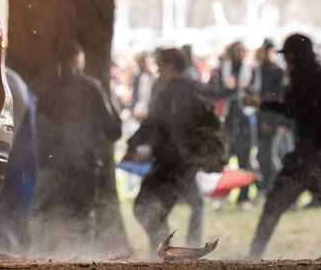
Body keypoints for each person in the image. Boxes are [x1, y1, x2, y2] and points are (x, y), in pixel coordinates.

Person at [249, 34, 321, 259]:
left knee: (274, 207)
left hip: (311, 157)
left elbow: (293, 109)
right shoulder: (317, 76)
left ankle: (253, 255)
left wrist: (262, 104)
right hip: (320, 155)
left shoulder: (307, 79)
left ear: (293, 57)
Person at [30, 42, 122, 257]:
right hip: (84, 165)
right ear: (77, 60)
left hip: (51, 163)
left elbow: (39, 125)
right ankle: (81, 258)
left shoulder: (45, 86)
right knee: (83, 216)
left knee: (43, 213)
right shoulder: (92, 86)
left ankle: (37, 258)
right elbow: (113, 128)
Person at [128, 47, 212, 254]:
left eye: (160, 65)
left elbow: (154, 121)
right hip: (185, 160)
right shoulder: (193, 88)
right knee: (169, 206)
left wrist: (133, 143)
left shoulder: (172, 90)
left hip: (171, 162)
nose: (158, 70)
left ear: (171, 66)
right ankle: (173, 251)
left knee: (144, 206)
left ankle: (167, 252)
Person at [0, 67, 39, 255]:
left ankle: (2, 246)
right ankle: (0, 245)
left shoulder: (10, 83)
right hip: (17, 156)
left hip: (18, 157)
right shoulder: (12, 81)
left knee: (11, 203)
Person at [212, 41, 256, 206]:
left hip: (245, 120)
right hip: (228, 120)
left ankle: (243, 197)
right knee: (224, 160)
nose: (239, 54)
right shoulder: (222, 69)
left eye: (242, 51)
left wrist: (244, 90)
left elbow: (256, 96)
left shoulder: (251, 69)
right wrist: (229, 89)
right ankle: (221, 196)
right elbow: (215, 92)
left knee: (245, 161)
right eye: (236, 51)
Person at [253, 40, 289, 194]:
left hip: (273, 120)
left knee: (273, 156)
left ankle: (280, 189)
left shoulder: (278, 72)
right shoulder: (257, 70)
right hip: (260, 119)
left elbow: (279, 100)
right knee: (262, 156)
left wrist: (277, 123)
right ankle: (267, 187)